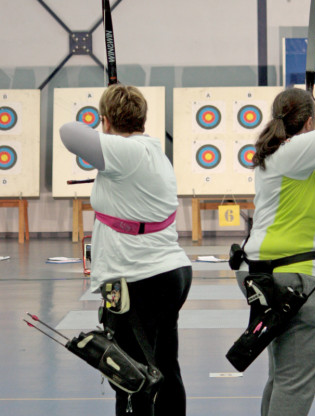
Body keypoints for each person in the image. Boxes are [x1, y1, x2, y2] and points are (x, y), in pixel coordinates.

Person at [60, 84, 192, 416]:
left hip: (138, 278)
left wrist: (106, 129)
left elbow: (68, 132)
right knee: (163, 367)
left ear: (106, 121)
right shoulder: (150, 150)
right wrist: (109, 124)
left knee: (130, 376)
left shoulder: (124, 152)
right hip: (167, 272)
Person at [235, 87, 315, 416]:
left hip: (273, 272)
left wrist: (312, 119)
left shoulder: (283, 155)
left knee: (282, 377)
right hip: (295, 278)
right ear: (308, 122)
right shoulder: (292, 153)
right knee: (294, 383)